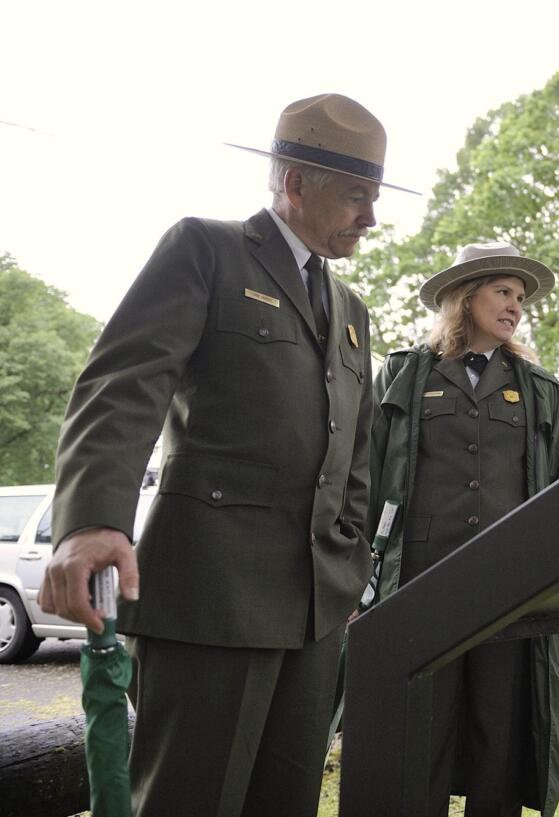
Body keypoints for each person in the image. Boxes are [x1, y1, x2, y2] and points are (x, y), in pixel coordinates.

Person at [38, 93, 415, 817]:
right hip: (211, 597)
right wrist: (90, 520)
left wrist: (352, 569)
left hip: (313, 612)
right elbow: (123, 385)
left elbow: (357, 458)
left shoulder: (353, 313)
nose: (370, 217)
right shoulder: (206, 251)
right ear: (296, 183)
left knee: (287, 802)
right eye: (356, 196)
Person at [366, 241, 559, 817]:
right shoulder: (405, 375)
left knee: (500, 728)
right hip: (421, 579)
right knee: (426, 727)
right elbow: (362, 474)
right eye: (503, 292)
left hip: (506, 585)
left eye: (520, 297)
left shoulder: (538, 388)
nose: (516, 306)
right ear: (466, 298)